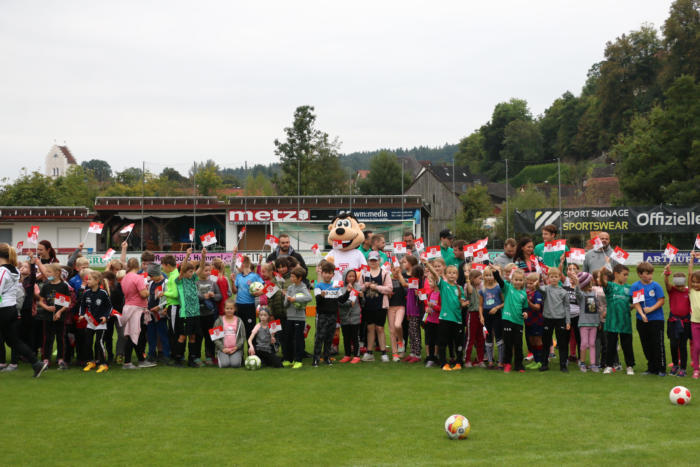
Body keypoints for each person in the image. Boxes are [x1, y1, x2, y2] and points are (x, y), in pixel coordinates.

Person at [0, 244, 48, 377]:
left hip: (3, 309)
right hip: (11, 309)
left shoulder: (3, 271)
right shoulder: (14, 270)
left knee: (12, 340)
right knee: (13, 341)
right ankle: (36, 363)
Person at [422, 257, 468, 371]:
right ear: (445, 274)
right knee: (442, 342)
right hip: (445, 318)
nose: (452, 275)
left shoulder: (459, 288)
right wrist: (428, 264)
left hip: (457, 319)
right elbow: (435, 274)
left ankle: (459, 362)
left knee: (458, 342)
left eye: (454, 273)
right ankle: (444, 363)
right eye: (449, 273)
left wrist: (464, 303)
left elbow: (461, 301)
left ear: (457, 275)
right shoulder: (443, 285)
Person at [630, 262, 666, 376]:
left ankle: (661, 368)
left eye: (651, 273)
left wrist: (651, 309)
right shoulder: (636, 286)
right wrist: (642, 314)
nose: (650, 276)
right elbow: (636, 302)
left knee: (657, 344)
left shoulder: (656, 286)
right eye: (647, 274)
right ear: (640, 274)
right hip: (642, 320)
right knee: (646, 344)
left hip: (656, 319)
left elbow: (661, 300)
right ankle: (651, 368)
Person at [599, 264, 635, 375]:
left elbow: (634, 303)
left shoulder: (629, 288)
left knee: (627, 345)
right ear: (616, 274)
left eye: (627, 275)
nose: (626, 277)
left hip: (625, 321)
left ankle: (629, 366)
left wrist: (629, 307)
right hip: (612, 321)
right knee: (611, 344)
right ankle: (609, 365)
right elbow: (602, 282)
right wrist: (601, 273)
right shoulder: (610, 286)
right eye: (624, 274)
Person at [120, 258, 155, 370]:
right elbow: (144, 294)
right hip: (137, 309)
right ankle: (127, 362)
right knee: (133, 335)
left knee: (135, 335)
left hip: (128, 307)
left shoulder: (124, 278)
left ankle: (140, 360)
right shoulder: (138, 278)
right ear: (138, 265)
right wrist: (149, 290)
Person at [492, 267, 528, 373]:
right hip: (507, 319)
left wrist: (525, 313)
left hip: (519, 322)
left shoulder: (524, 294)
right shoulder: (508, 288)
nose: (518, 282)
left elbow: (525, 307)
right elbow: (500, 281)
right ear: (512, 280)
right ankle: (507, 363)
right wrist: (496, 272)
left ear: (523, 282)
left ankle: (518, 365)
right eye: (516, 279)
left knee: (518, 344)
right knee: (508, 344)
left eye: (520, 280)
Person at [360, 251, 392, 362]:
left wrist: (376, 287)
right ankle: (369, 352)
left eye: (375, 260)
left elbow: (389, 288)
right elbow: (359, 288)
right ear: (368, 261)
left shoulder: (384, 273)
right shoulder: (364, 273)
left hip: (380, 304)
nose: (373, 262)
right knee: (370, 328)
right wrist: (365, 286)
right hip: (368, 304)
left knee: (380, 328)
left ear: (379, 261)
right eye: (371, 260)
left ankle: (383, 352)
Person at [175, 249, 204, 367]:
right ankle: (178, 358)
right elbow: (182, 269)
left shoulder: (193, 279)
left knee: (193, 336)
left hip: (195, 313)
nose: (192, 273)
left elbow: (201, 268)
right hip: (185, 314)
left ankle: (191, 359)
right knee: (182, 336)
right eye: (190, 271)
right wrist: (187, 256)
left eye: (192, 271)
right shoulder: (180, 281)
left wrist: (203, 256)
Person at [539, 267, 572, 372]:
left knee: (562, 343)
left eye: (556, 277)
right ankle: (544, 364)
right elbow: (538, 288)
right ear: (548, 278)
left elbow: (567, 307)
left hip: (560, 319)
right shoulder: (546, 288)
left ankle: (563, 365)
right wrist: (537, 282)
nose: (553, 279)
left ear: (559, 278)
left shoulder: (563, 292)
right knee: (545, 342)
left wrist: (568, 321)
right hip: (547, 319)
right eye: (551, 277)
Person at [38, 263, 71, 369]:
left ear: (57, 273)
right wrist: (47, 308)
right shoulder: (46, 286)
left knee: (60, 338)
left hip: (60, 317)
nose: (47, 274)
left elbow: (67, 302)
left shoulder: (63, 286)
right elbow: (41, 301)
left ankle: (60, 359)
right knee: (47, 338)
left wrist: (59, 312)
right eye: (46, 272)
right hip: (47, 317)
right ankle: (46, 359)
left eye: (49, 272)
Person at [78, 270, 111, 373]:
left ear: (97, 281)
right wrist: (82, 315)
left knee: (99, 342)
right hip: (90, 322)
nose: (87, 281)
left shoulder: (103, 293)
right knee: (88, 342)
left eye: (90, 279)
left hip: (100, 323)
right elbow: (82, 305)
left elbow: (109, 307)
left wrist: (105, 317)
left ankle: (103, 363)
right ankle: (91, 362)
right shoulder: (86, 293)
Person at [313, 261, 343, 367]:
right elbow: (318, 301)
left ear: (333, 275)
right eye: (325, 272)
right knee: (320, 337)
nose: (327, 275)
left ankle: (327, 358)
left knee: (329, 337)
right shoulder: (318, 285)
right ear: (322, 273)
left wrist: (348, 292)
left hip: (333, 315)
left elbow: (341, 300)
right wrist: (321, 295)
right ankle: (316, 359)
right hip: (322, 315)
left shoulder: (335, 286)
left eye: (330, 273)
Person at [663, 264, 690, 377]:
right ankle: (675, 365)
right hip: (673, 321)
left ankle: (683, 368)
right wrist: (667, 274)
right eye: (678, 285)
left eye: (682, 285)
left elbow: (691, 276)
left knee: (683, 345)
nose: (680, 288)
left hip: (685, 322)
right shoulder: (672, 290)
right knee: (673, 344)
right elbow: (666, 283)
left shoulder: (688, 291)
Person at [573, 272, 603, 372]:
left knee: (592, 344)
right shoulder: (581, 294)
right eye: (590, 281)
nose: (592, 282)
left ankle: (593, 364)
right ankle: (582, 363)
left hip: (594, 323)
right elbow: (577, 292)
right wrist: (577, 283)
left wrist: (598, 321)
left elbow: (597, 308)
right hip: (584, 323)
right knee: (584, 343)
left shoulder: (594, 293)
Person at [283, 266, 312, 369]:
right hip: (289, 317)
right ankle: (288, 359)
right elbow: (285, 304)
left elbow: (309, 297)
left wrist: (295, 299)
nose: (291, 278)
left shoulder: (303, 287)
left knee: (298, 339)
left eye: (293, 277)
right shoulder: (290, 288)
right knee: (288, 338)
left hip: (299, 318)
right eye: (291, 276)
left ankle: (298, 360)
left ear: (300, 278)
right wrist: (286, 298)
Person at [230, 254, 263, 340]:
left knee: (250, 331)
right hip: (239, 306)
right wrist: (232, 282)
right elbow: (234, 291)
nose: (237, 268)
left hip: (249, 306)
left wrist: (260, 292)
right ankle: (239, 352)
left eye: (238, 265)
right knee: (238, 331)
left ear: (243, 265)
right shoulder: (239, 277)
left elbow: (265, 287)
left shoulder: (254, 276)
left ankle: (251, 350)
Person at [196, 257, 221, 365]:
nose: (208, 272)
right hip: (198, 314)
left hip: (210, 314)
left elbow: (219, 296)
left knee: (210, 336)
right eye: (205, 270)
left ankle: (209, 356)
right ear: (199, 270)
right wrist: (203, 297)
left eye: (209, 270)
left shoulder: (213, 283)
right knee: (198, 336)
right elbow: (193, 296)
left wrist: (213, 295)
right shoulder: (195, 283)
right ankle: (196, 357)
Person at [146, 263, 171, 364]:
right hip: (151, 313)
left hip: (161, 314)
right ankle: (151, 354)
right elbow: (149, 297)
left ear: (157, 273)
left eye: (152, 276)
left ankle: (166, 355)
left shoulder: (166, 283)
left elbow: (169, 299)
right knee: (151, 335)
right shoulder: (152, 283)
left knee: (163, 335)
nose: (150, 278)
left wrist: (160, 307)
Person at [480, 267, 504, 369]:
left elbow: (505, 301)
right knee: (488, 337)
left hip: (497, 314)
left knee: (499, 337)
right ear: (483, 276)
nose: (489, 277)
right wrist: (481, 316)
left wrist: (497, 308)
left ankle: (500, 362)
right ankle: (490, 361)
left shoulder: (498, 288)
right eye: (487, 275)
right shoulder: (482, 289)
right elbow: (480, 304)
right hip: (486, 315)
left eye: (491, 275)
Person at [338, 269, 363, 364]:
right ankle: (347, 355)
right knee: (346, 336)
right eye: (350, 276)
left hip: (355, 315)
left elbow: (362, 303)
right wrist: (348, 294)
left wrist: (361, 297)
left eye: (353, 276)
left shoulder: (357, 286)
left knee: (355, 336)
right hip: (344, 315)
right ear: (345, 277)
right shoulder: (341, 287)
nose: (352, 278)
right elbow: (340, 302)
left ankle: (357, 355)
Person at [213, 299, 245, 368]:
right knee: (225, 364)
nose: (229, 310)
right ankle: (221, 356)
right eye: (227, 308)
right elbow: (215, 338)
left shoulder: (239, 321)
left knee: (235, 364)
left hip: (235, 349)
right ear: (224, 309)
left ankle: (237, 357)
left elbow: (242, 337)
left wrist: (236, 347)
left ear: (235, 309)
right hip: (223, 349)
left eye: (231, 308)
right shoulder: (218, 321)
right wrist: (222, 348)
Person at [161, 254, 180, 363]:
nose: (162, 268)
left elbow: (175, 294)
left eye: (163, 266)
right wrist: (167, 306)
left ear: (168, 265)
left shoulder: (173, 276)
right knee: (172, 331)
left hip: (174, 307)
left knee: (173, 332)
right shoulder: (174, 274)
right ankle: (175, 354)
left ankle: (175, 356)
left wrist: (164, 293)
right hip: (171, 306)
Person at [523, 272, 544, 370]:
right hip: (528, 321)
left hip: (537, 321)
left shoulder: (538, 293)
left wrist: (528, 303)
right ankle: (535, 360)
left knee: (537, 340)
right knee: (531, 341)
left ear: (537, 283)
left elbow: (537, 307)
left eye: (532, 283)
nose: (529, 285)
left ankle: (540, 361)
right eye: (528, 283)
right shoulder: (527, 292)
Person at [464, 270, 484, 368]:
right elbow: (470, 290)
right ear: (473, 278)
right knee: (470, 338)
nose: (481, 280)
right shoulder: (469, 287)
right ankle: (467, 359)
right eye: (479, 278)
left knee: (481, 338)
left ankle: (480, 360)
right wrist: (467, 278)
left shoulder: (479, 289)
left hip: (479, 315)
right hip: (472, 315)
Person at [388, 263, 408, 361]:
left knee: (398, 325)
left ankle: (401, 340)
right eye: (394, 269)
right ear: (391, 269)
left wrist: (399, 275)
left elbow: (405, 285)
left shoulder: (403, 279)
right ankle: (394, 353)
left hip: (400, 306)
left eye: (398, 268)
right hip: (390, 307)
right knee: (392, 331)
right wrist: (388, 295)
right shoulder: (388, 279)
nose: (396, 270)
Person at [687, 252, 700, 379]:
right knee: (697, 347)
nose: (695, 284)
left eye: (698, 282)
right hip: (695, 323)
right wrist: (692, 259)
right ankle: (696, 369)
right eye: (694, 282)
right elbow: (690, 274)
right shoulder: (691, 291)